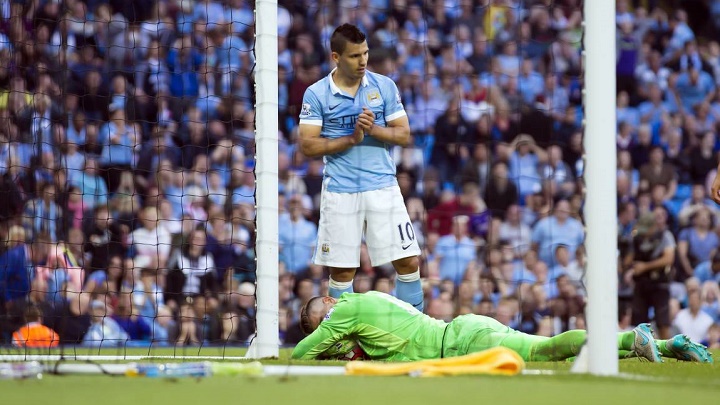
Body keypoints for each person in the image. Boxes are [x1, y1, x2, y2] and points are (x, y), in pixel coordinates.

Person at [297, 24, 423, 310]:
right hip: (340, 192)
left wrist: (374, 130)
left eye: (365, 53)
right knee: (342, 272)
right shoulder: (317, 94)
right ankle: (342, 340)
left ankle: (416, 331)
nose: (363, 61)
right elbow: (308, 145)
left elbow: (403, 134)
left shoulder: (384, 86)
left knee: (408, 261)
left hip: (383, 187)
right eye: (355, 56)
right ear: (336, 57)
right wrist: (350, 138)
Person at [291, 291, 713, 363]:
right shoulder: (369, 301)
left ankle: (629, 336)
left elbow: (299, 353)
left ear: (330, 302)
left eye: (321, 320)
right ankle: (667, 344)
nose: (326, 330)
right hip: (465, 329)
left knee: (548, 350)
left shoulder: (344, 312)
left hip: (458, 346)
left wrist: (327, 343)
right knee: (556, 350)